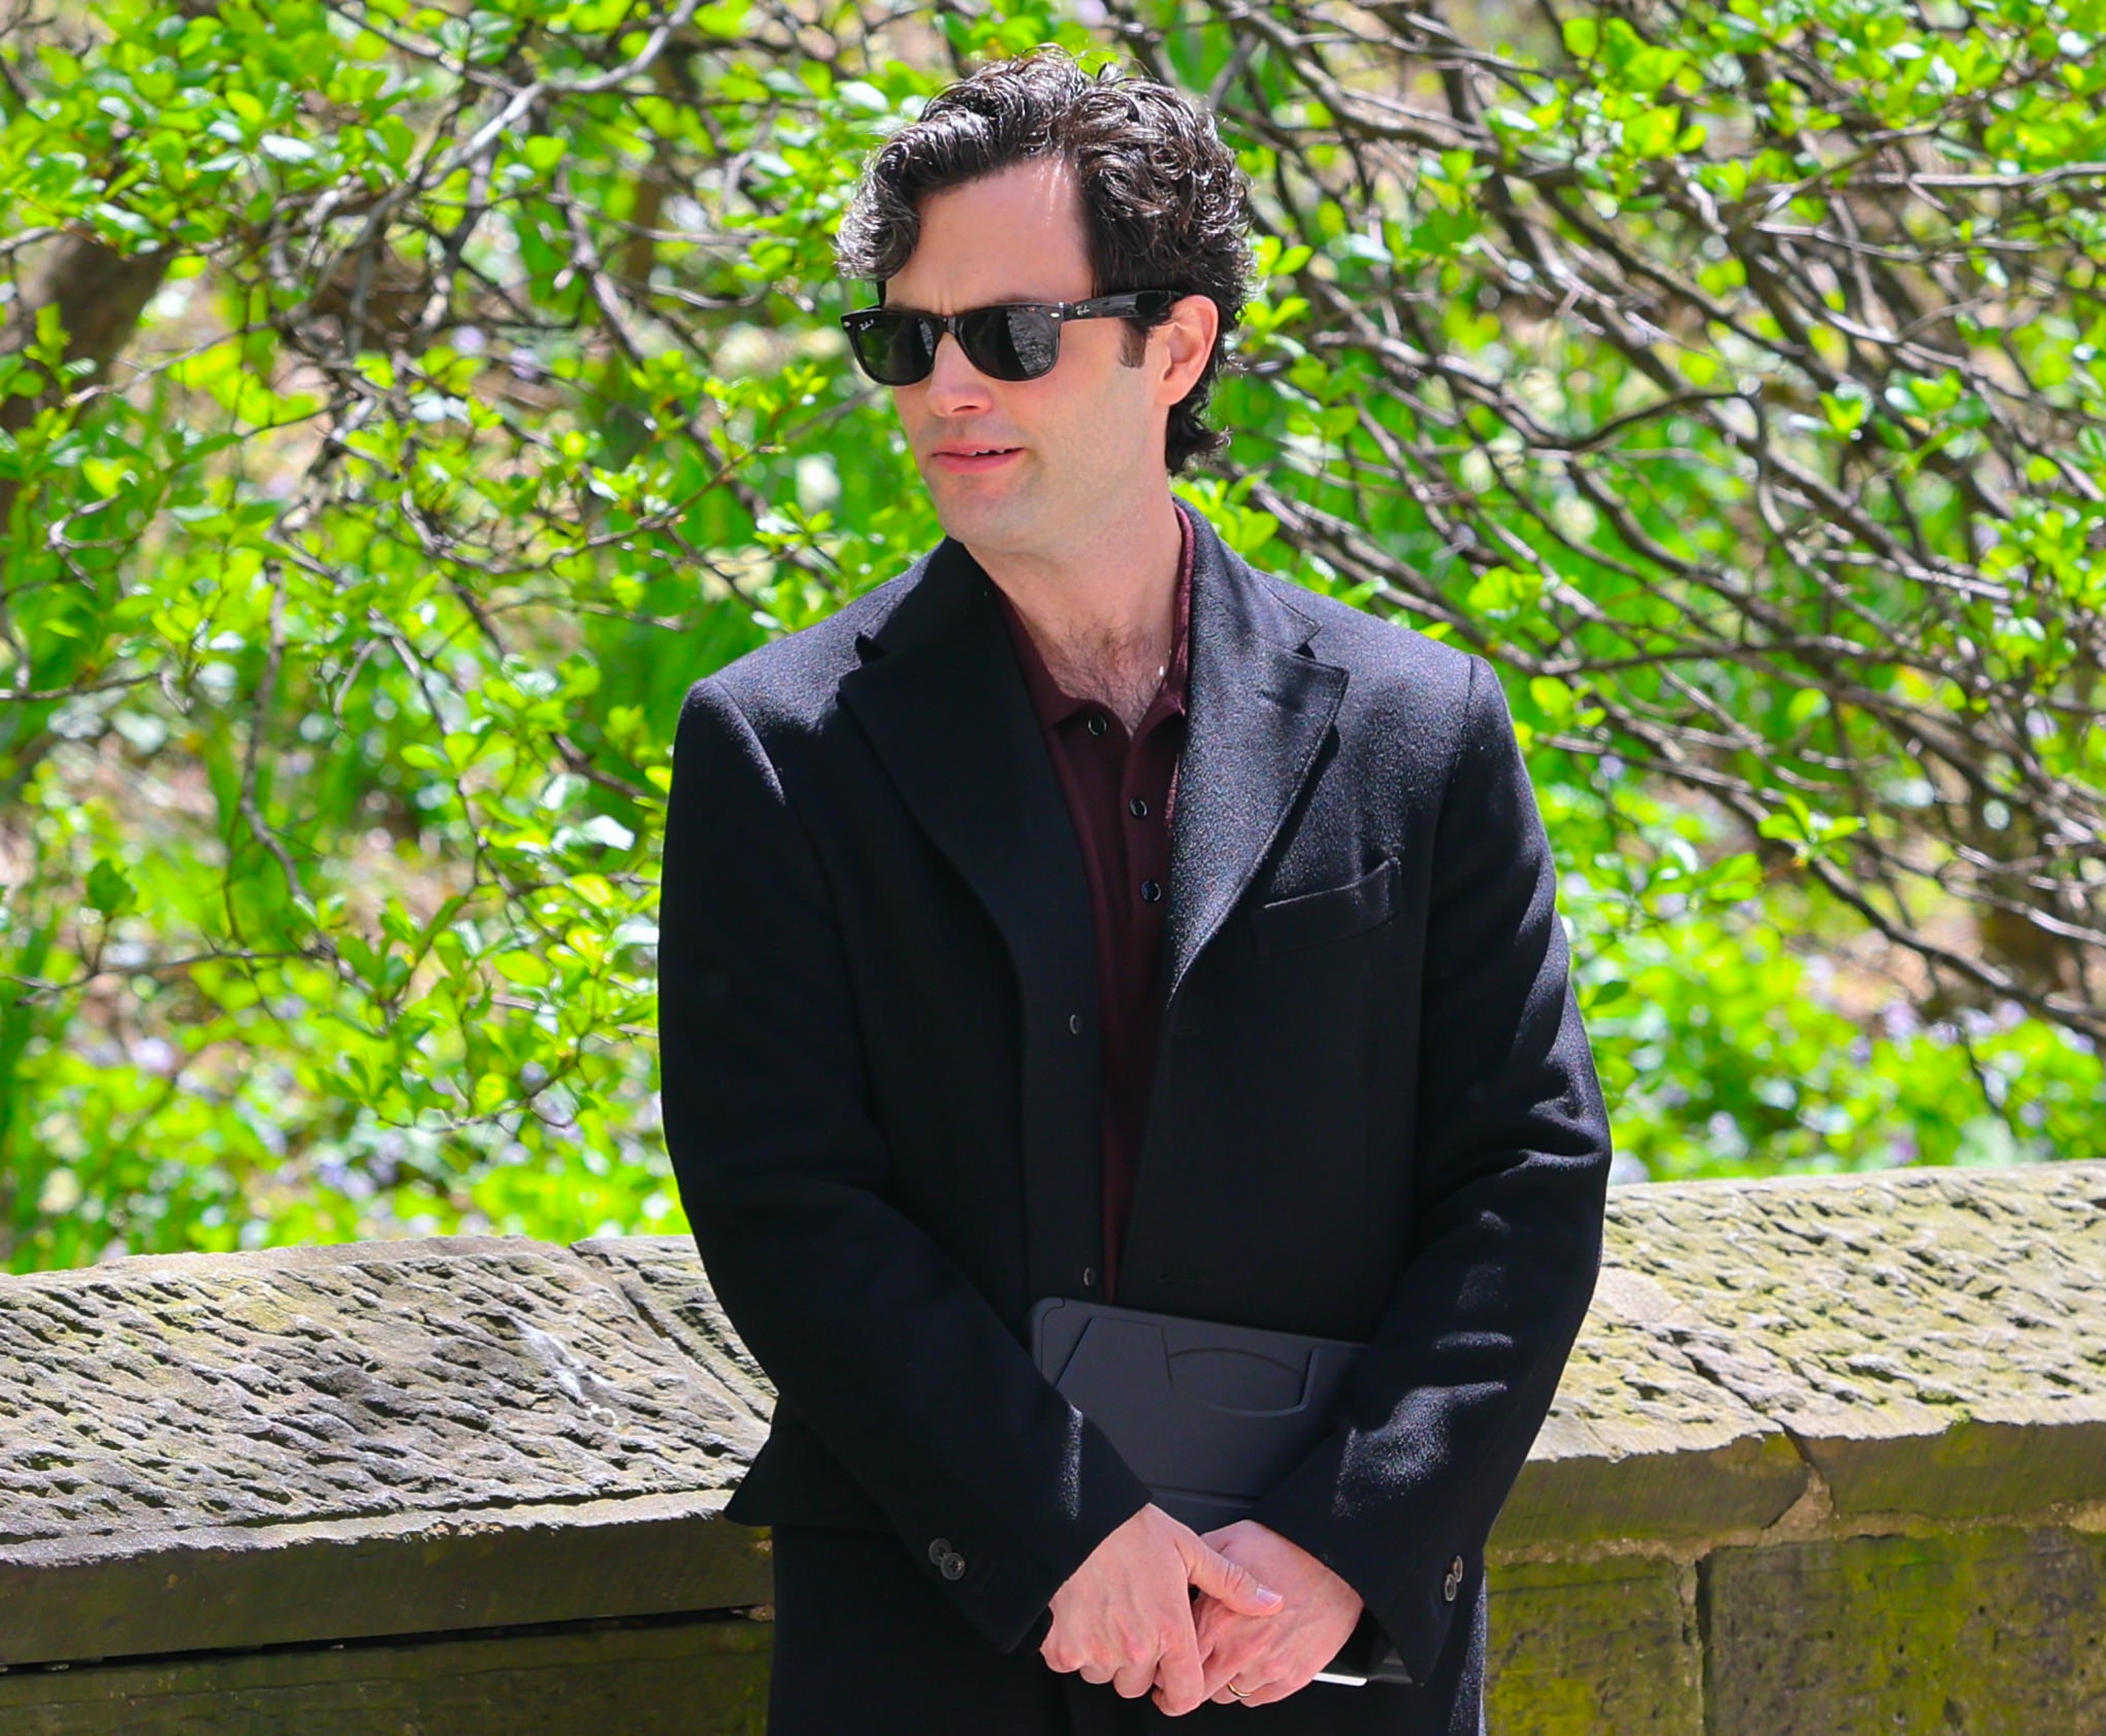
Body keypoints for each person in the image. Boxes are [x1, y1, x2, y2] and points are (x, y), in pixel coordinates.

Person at [656, 44, 1613, 1736]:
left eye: (1012, 335)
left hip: (1313, 1652)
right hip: (937, 1650)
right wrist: (1064, 1529)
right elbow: (785, 1207)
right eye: (906, 341)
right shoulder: (775, 746)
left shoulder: (1420, 726)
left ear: (1174, 347)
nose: (947, 388)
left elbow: (1522, 1181)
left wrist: (1343, 1542)